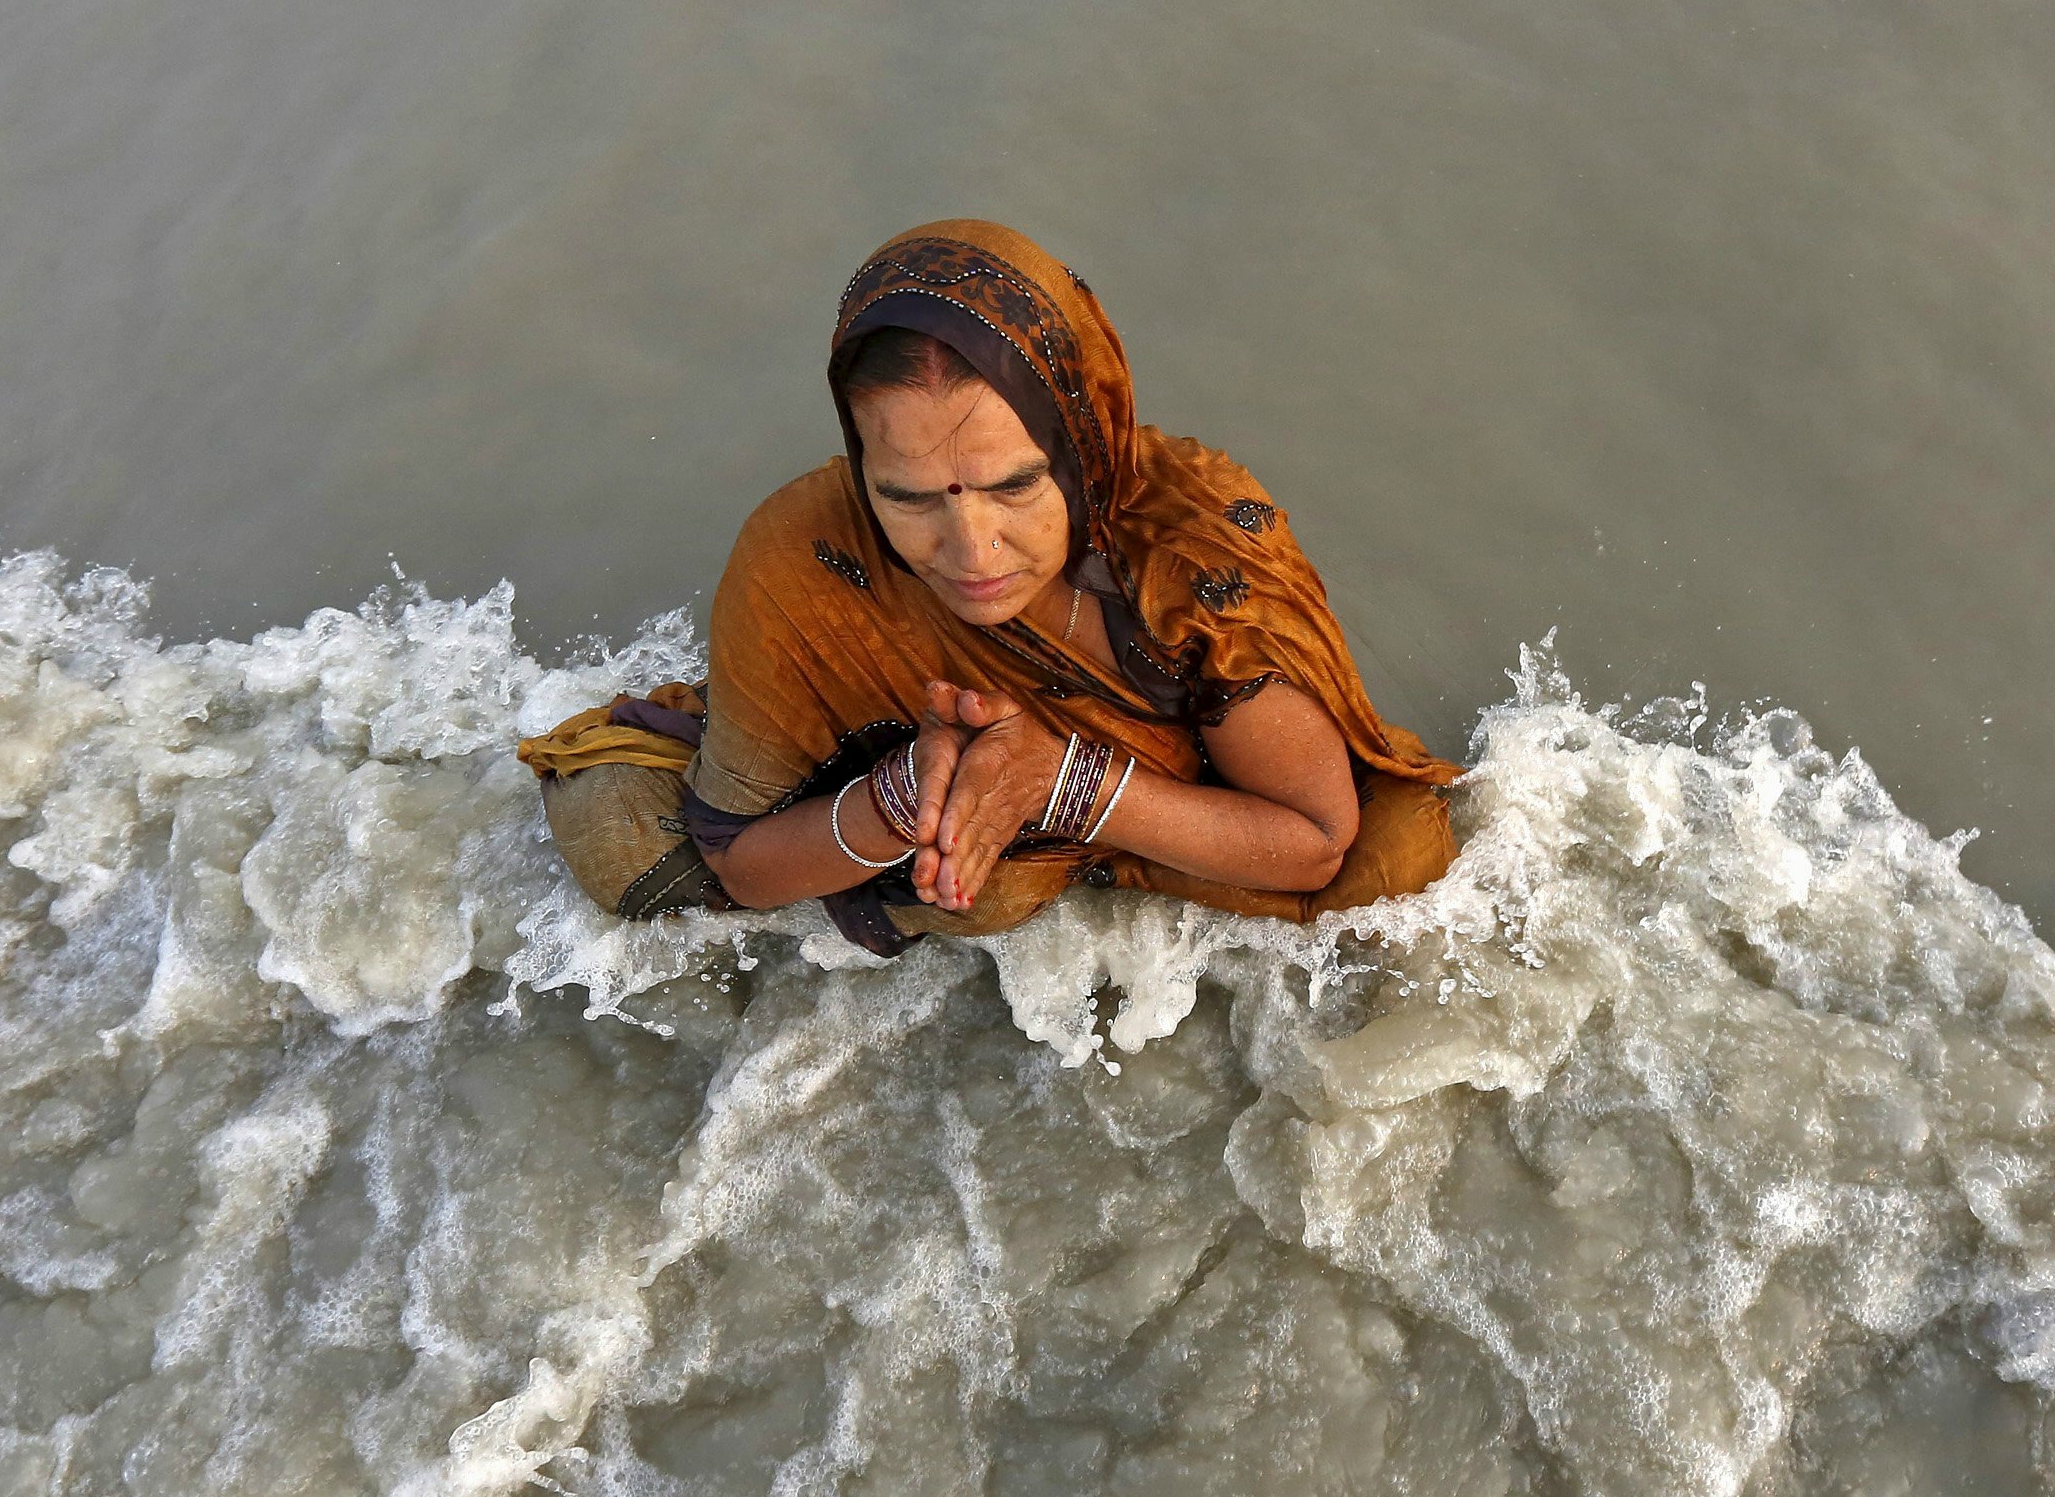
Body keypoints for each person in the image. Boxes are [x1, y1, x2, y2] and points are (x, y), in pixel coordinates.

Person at [522, 220, 1458, 950]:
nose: (972, 548)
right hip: (891, 805)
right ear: (861, 465)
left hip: (1166, 809)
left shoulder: (1192, 554)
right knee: (617, 845)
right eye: (910, 496)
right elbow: (743, 865)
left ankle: (1038, 857)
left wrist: (1065, 779)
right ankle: (974, 873)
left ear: (1083, 444)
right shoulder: (802, 559)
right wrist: (907, 796)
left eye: (1015, 485)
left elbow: (1316, 838)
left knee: (1399, 867)